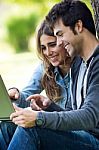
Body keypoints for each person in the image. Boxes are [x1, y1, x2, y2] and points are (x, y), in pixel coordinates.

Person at [5, 0, 99, 150]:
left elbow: (90, 116)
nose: (60, 43)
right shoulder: (82, 64)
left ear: (79, 26)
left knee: (32, 128)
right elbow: (76, 114)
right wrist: (50, 107)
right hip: (82, 135)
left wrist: (39, 118)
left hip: (94, 141)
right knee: (8, 126)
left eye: (60, 35)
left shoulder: (95, 64)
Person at [0, 19, 73, 149]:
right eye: (43, 48)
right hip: (60, 126)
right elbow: (28, 95)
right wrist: (16, 94)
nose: (48, 52)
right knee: (8, 124)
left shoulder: (83, 67)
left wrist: (43, 115)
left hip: (82, 133)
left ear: (64, 41)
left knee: (30, 128)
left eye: (52, 44)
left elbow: (84, 117)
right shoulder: (46, 67)